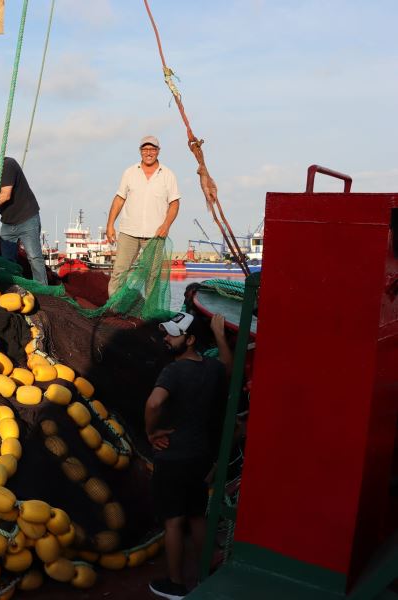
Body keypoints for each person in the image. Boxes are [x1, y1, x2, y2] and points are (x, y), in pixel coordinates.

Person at [145, 312, 232, 600]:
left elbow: (154, 402)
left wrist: (151, 432)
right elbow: (229, 370)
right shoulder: (211, 368)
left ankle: (176, 584)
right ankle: (207, 575)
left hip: (173, 456)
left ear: (191, 340)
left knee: (173, 521)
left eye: (173, 335)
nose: (166, 339)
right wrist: (220, 337)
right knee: (196, 515)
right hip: (200, 456)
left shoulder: (173, 370)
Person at [106, 136, 181, 296]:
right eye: (145, 149)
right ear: (140, 151)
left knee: (152, 276)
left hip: (155, 235)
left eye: (152, 149)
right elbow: (119, 199)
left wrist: (166, 225)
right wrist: (110, 224)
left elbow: (174, 203)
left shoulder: (168, 175)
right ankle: (113, 308)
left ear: (158, 151)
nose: (149, 153)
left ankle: (148, 313)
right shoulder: (129, 172)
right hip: (128, 232)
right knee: (119, 272)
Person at [0, 137, 48, 284]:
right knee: (7, 261)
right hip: (8, 222)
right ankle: (13, 287)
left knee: (34, 257)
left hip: (27, 219)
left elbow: (4, 195)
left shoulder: (8, 165)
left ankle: (43, 288)